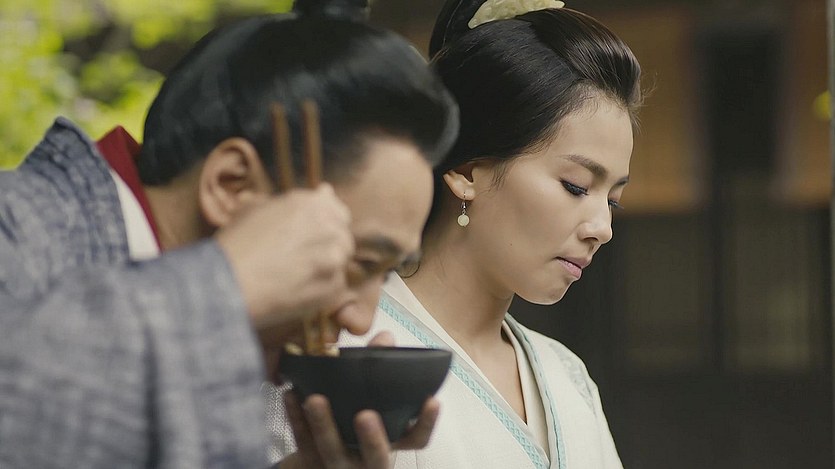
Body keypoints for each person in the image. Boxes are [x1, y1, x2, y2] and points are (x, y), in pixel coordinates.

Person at [0, 1, 458, 467]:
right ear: (230, 184)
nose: (361, 321)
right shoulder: (15, 227)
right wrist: (222, 285)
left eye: (386, 273)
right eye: (359, 263)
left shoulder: (194, 335)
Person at [264, 0, 642, 468]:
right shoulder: (335, 353)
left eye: (612, 200)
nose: (602, 229)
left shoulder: (567, 375)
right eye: (576, 186)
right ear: (466, 171)